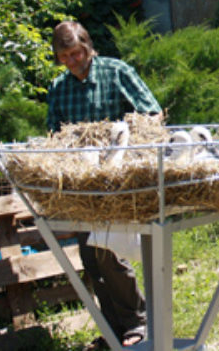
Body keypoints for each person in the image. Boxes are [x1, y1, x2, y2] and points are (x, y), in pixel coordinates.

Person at [46, 21, 161, 349]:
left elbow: (151, 114)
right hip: (82, 183)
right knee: (91, 256)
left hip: (117, 177)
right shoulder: (59, 87)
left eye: (76, 53)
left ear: (88, 46)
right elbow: (54, 134)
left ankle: (137, 322)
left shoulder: (115, 71)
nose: (72, 61)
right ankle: (112, 330)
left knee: (111, 250)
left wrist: (119, 137)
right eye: (64, 56)